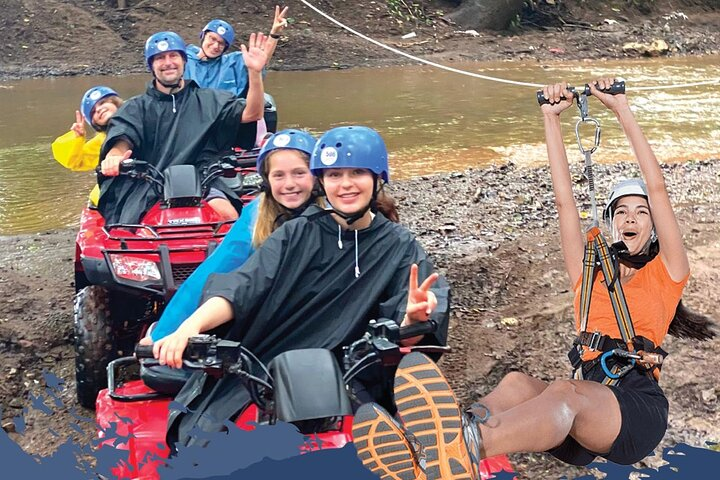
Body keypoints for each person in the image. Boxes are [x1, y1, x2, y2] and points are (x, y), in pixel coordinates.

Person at [351, 78, 715, 480]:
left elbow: (659, 189)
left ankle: (462, 448)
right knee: (517, 385)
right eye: (622, 211)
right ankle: (439, 443)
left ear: (654, 225)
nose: (631, 217)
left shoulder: (669, 272)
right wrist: (550, 120)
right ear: (612, 223)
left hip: (633, 411)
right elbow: (564, 202)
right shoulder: (590, 271)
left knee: (564, 390)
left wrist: (621, 110)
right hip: (580, 410)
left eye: (641, 212)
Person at [143, 126, 450, 448]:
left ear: (377, 178)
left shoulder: (400, 245)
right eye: (334, 175)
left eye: (357, 172)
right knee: (198, 441)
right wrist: (189, 326)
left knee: (371, 447)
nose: (345, 184)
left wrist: (413, 321)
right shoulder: (296, 233)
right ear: (323, 181)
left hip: (354, 368)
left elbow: (413, 320)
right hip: (268, 361)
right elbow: (243, 286)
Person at [148, 128, 321, 340]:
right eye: (278, 175)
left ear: (316, 175)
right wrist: (167, 333)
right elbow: (218, 269)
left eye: (299, 173)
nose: (290, 184)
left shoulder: (336, 213)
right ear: (266, 180)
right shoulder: (256, 218)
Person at [97, 30, 267, 225]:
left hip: (204, 179)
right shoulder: (135, 108)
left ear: (184, 61)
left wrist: (254, 73)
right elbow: (122, 139)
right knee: (128, 228)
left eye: (173, 56)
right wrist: (113, 158)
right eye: (160, 58)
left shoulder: (210, 99)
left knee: (230, 218)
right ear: (151, 65)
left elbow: (252, 113)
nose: (168, 62)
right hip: (149, 182)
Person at [184, 6, 288, 97]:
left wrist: (274, 35)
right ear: (203, 36)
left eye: (221, 43)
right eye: (212, 39)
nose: (216, 46)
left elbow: (261, 60)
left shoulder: (233, 62)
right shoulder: (184, 59)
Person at [51, 86, 123, 205]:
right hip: (112, 196)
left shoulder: (141, 120)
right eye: (94, 111)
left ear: (115, 102)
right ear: (94, 123)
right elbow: (75, 162)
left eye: (102, 102)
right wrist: (76, 138)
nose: (99, 109)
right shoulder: (101, 141)